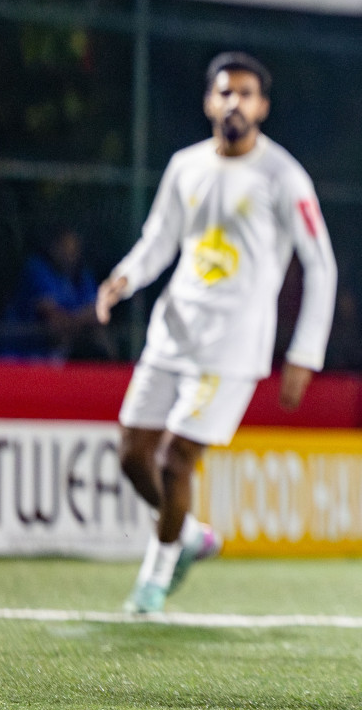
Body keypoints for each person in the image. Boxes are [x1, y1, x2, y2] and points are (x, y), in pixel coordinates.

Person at [95, 52, 337, 616]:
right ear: (209, 102)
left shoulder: (283, 176)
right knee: (132, 455)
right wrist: (122, 280)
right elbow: (159, 240)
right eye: (226, 92)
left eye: (247, 94)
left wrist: (304, 353)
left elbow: (320, 264)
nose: (236, 102)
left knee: (175, 461)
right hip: (172, 333)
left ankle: (153, 582)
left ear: (263, 107)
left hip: (233, 347)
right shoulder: (186, 166)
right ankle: (191, 535)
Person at [0, 225, 113, 361]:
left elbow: (98, 314)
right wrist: (79, 322)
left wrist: (71, 324)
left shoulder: (82, 276)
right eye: (65, 248)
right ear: (53, 248)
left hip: (62, 356)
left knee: (101, 339)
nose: (70, 255)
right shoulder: (36, 269)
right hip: (19, 356)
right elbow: (53, 320)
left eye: (74, 249)